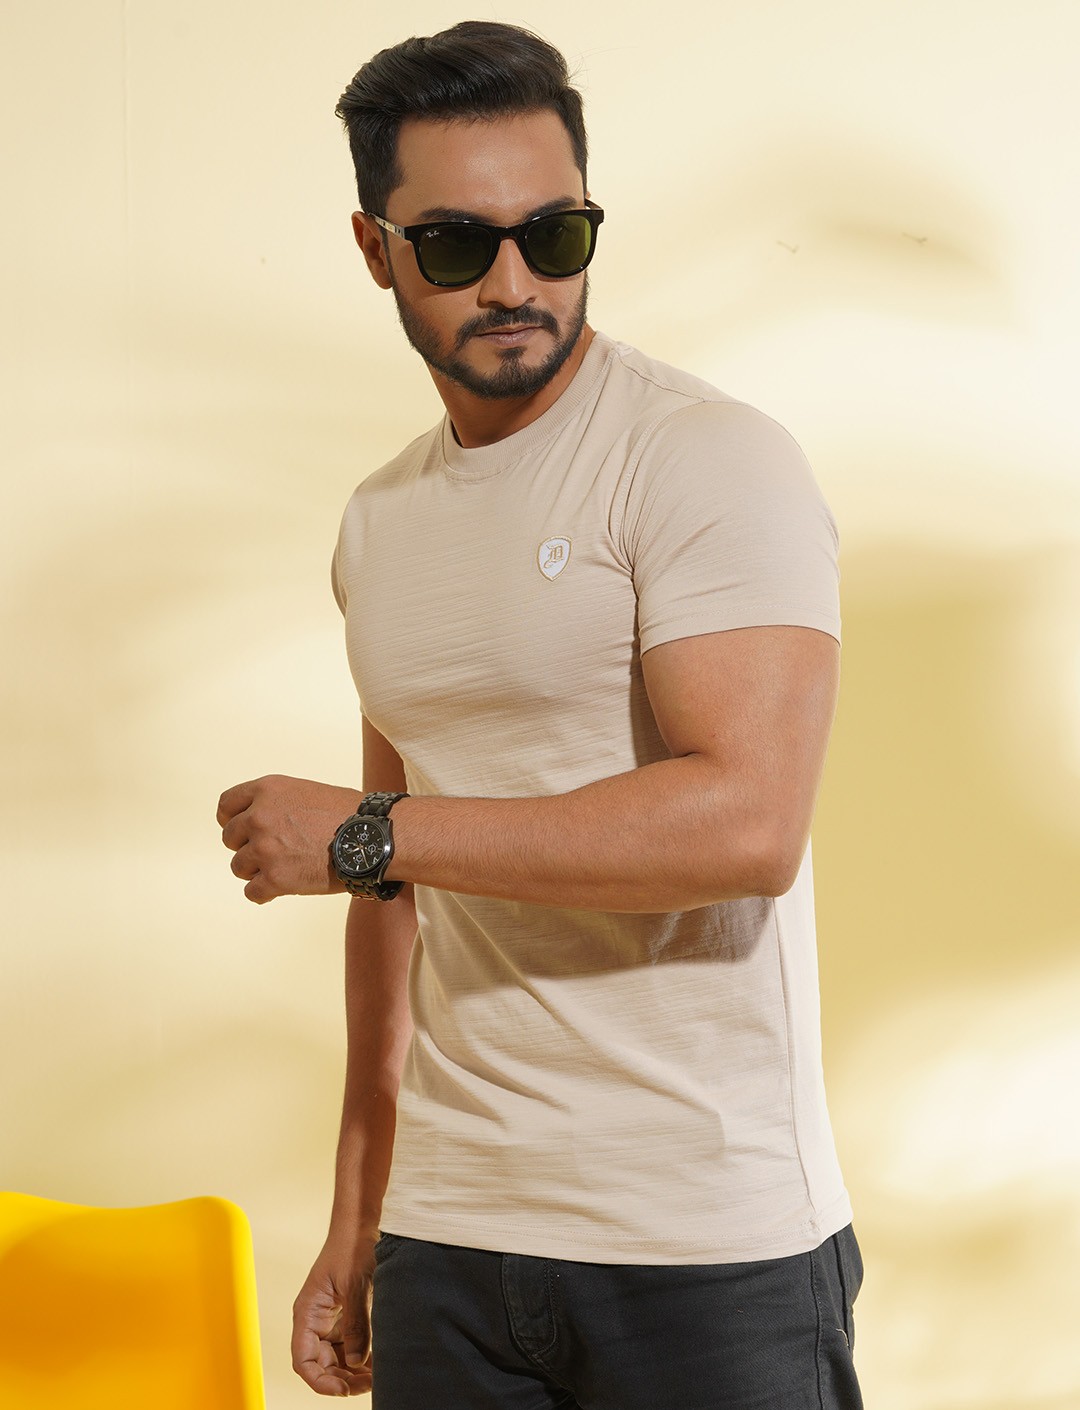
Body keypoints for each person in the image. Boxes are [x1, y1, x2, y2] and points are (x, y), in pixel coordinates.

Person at [217, 19, 864, 1409]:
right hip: (451, 1232)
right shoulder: (380, 519)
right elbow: (390, 885)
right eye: (457, 245)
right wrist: (360, 1210)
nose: (514, 284)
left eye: (555, 235)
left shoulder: (703, 458)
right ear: (376, 248)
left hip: (704, 1242)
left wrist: (371, 833)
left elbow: (748, 824)